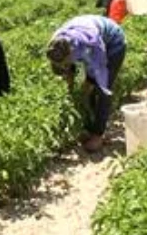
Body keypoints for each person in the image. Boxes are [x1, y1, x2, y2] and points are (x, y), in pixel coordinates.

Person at [46, 14, 127, 152]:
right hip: (87, 32)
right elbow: (61, 67)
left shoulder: (89, 46)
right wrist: (68, 81)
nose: (65, 65)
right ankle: (89, 128)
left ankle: (98, 135)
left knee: (102, 90)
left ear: (71, 54)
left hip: (114, 42)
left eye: (66, 63)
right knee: (85, 92)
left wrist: (89, 82)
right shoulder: (56, 44)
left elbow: (97, 70)